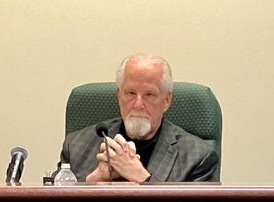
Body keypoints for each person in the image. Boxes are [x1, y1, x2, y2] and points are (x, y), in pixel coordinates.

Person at [60, 54, 218, 183]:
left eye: (149, 95)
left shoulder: (198, 156)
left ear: (167, 101)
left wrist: (142, 177)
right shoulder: (76, 146)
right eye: (130, 93)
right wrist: (93, 181)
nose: (138, 104)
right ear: (119, 95)